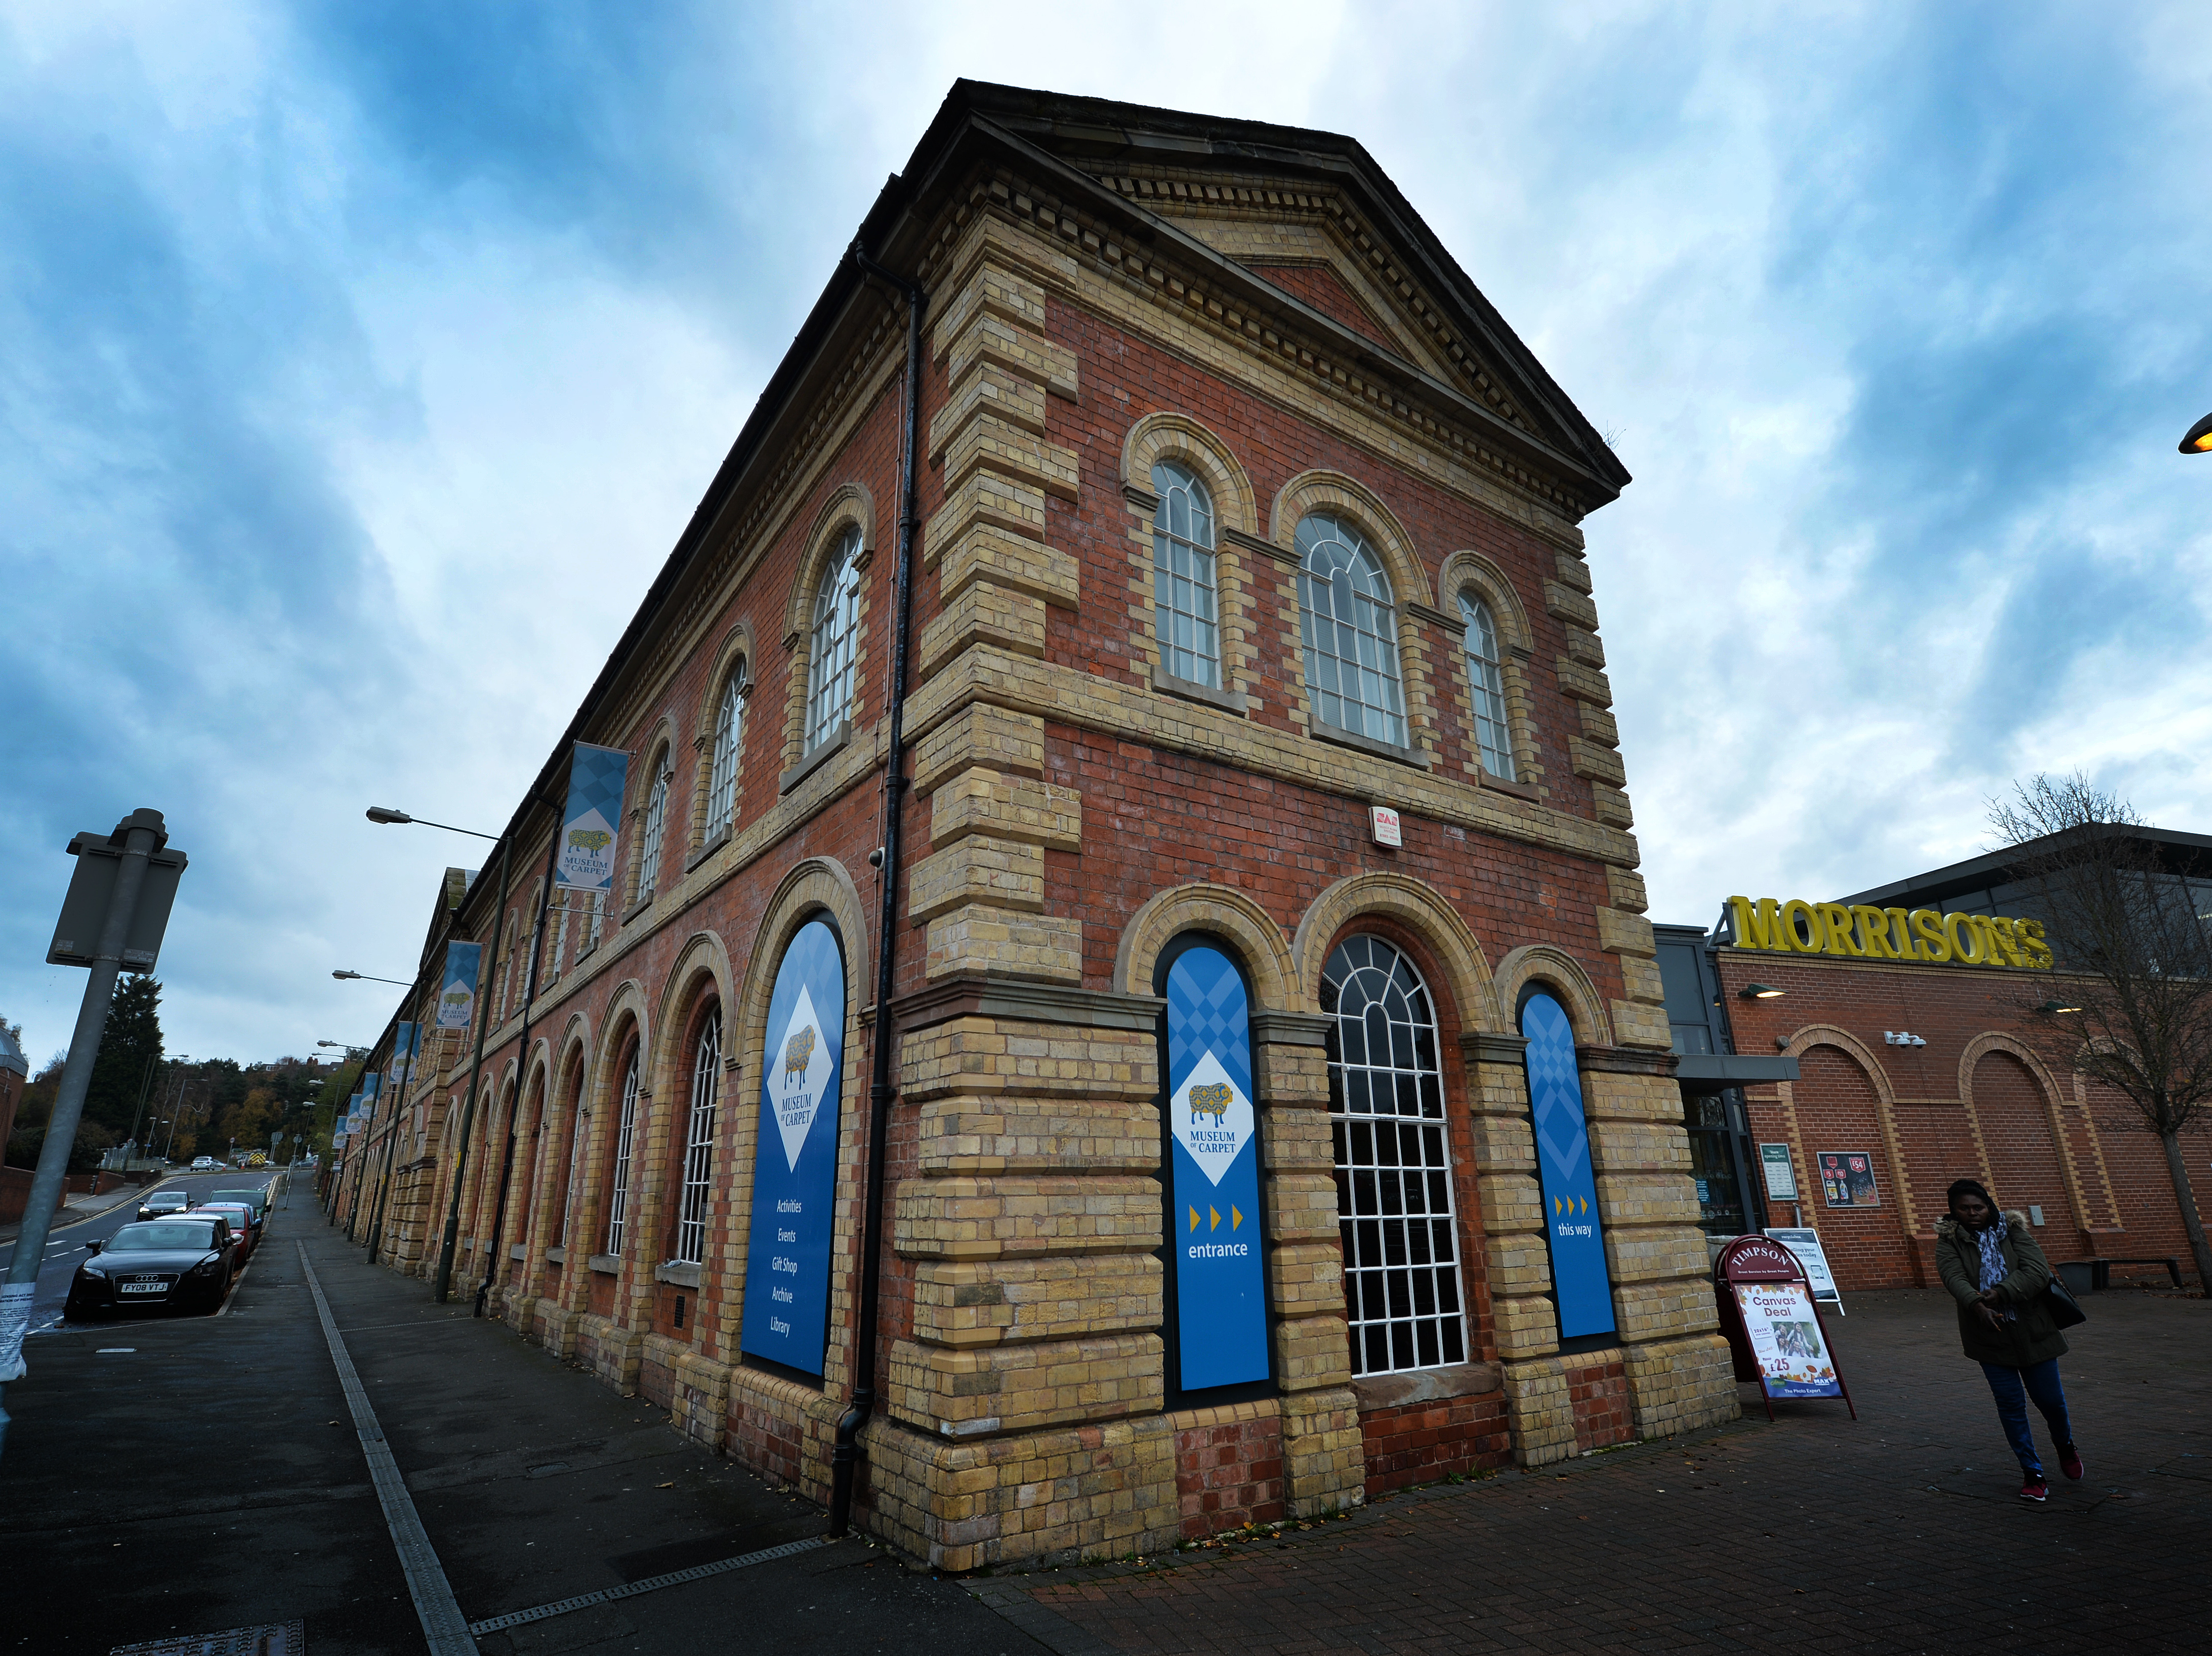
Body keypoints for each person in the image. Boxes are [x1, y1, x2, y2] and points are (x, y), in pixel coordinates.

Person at [1934, 1177, 2083, 1502]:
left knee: (2051, 1403)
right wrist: (1976, 1305)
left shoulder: (2014, 1232)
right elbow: (1953, 1277)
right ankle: (2033, 1472)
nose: (1973, 1213)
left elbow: (2036, 1270)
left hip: (2034, 1331)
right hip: (1989, 1335)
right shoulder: (1949, 1242)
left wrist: (2000, 1294)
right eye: (1965, 1208)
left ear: (1990, 1207)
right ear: (1954, 1212)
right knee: (2011, 1406)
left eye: (1979, 1207)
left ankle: (2065, 1446)